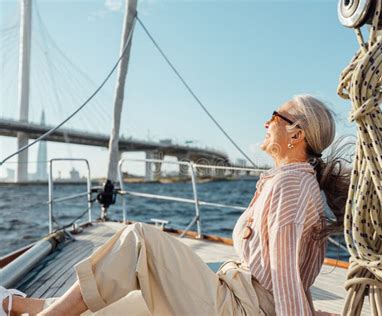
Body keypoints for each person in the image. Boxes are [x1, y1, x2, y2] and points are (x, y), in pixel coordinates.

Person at [1, 95, 350, 316]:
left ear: (296, 134)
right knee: (115, 307)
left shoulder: (291, 183)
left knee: (139, 240)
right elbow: (286, 279)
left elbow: (286, 276)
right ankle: (22, 306)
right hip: (235, 297)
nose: (266, 122)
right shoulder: (294, 181)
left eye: (275, 116)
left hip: (240, 308)